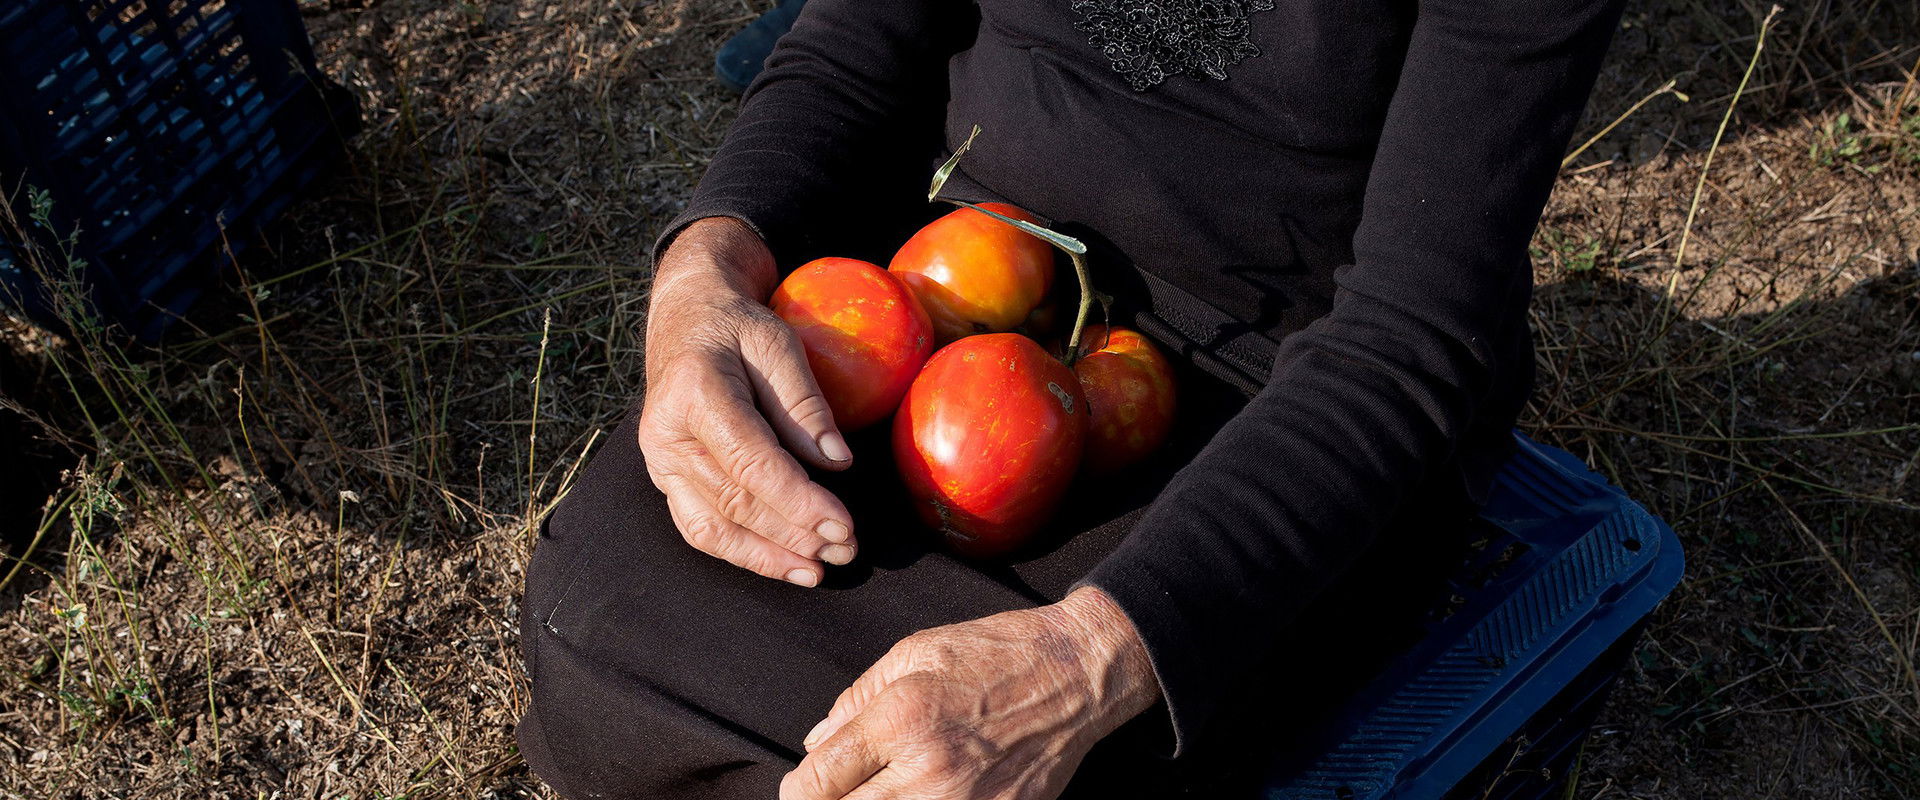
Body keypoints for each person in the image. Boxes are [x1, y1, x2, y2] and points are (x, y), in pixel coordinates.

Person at [516, 0, 1627, 797]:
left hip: (1274, 400)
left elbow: (1406, 339)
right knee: (593, 615)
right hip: (958, 275)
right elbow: (857, 51)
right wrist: (704, 267)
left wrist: (1093, 656)